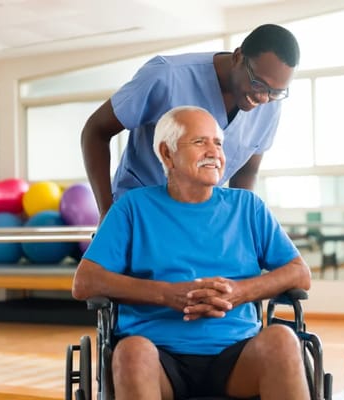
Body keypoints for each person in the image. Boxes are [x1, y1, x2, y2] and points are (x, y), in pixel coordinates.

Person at [72, 105, 311, 400]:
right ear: (167, 153)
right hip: (157, 355)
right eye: (200, 142)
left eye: (218, 143)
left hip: (237, 356)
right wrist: (166, 294)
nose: (214, 152)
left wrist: (241, 292)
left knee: (283, 340)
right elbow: (85, 282)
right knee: (130, 352)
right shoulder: (132, 208)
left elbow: (299, 273)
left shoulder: (248, 207)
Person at [81, 24, 300, 222]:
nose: (263, 98)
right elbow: (96, 131)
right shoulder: (166, 77)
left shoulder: (270, 104)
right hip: (138, 216)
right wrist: (107, 212)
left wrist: (239, 224)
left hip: (198, 222)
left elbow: (247, 171)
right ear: (238, 57)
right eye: (258, 83)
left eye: (276, 92)